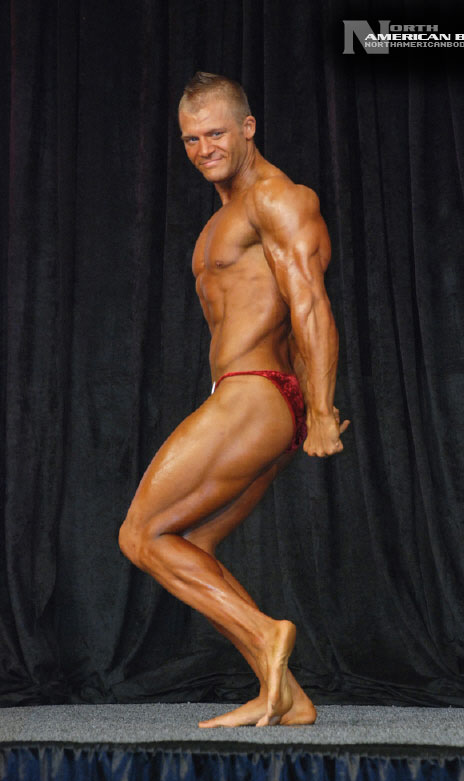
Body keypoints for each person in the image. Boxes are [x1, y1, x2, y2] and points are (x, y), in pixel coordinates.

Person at [118, 72, 349, 728]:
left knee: (140, 534)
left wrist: (322, 410)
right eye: (191, 139)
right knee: (186, 543)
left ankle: (268, 634)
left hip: (257, 393)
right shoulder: (227, 214)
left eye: (216, 133)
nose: (204, 149)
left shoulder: (276, 198)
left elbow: (309, 302)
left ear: (248, 128)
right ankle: (289, 697)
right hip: (255, 396)